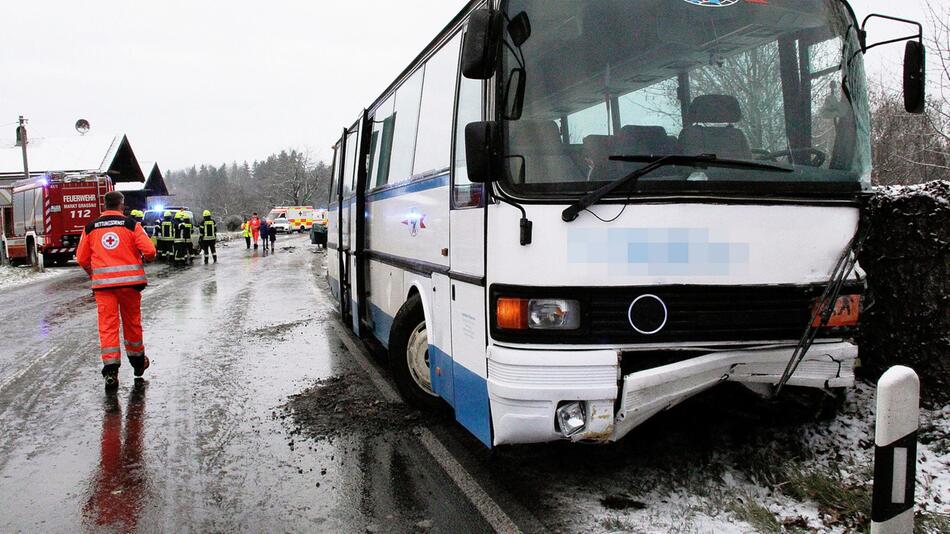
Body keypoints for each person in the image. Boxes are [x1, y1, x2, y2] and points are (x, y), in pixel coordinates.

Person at [75, 191, 156, 391]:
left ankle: (111, 371)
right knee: (132, 324)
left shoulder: (90, 228)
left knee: (107, 326)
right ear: (121, 205)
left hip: (104, 288)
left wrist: (94, 273)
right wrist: (146, 260)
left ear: (105, 205)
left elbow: (81, 258)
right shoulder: (131, 225)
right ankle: (138, 363)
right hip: (130, 286)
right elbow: (150, 252)